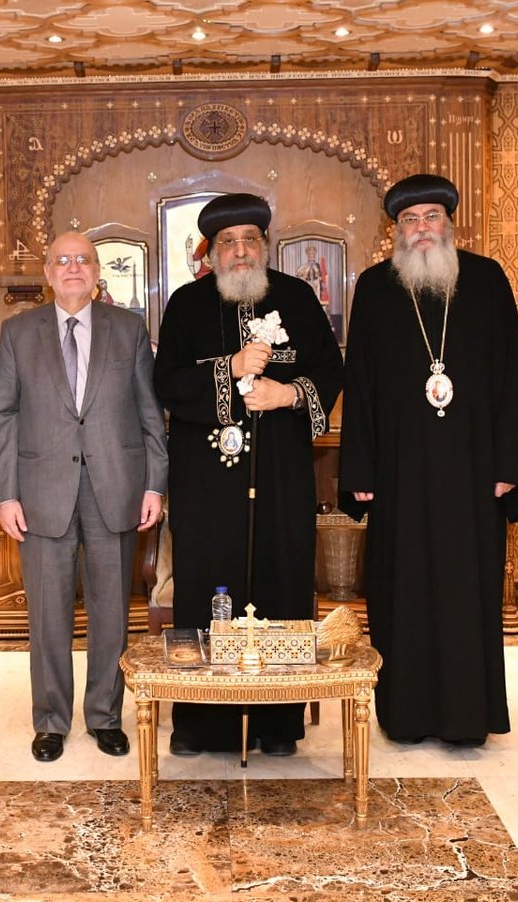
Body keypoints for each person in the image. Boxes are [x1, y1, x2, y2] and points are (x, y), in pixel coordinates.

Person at [338, 174, 518, 747]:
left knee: (467, 590)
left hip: (474, 471)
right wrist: (361, 470)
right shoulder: (375, 287)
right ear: (395, 231)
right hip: (399, 473)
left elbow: (511, 374)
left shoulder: (487, 279)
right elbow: (360, 382)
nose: (421, 229)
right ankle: (406, 715)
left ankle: (467, 718)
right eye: (409, 221)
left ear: (449, 223)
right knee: (403, 589)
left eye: (431, 218)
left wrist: (510, 464)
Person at [155, 192, 342, 756]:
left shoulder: (297, 298)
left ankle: (277, 722)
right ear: (211, 252)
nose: (240, 251)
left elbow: (330, 369)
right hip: (207, 485)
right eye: (228, 242)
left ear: (265, 246)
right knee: (203, 586)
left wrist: (288, 394)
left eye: (250, 241)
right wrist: (229, 369)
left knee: (280, 582)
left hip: (281, 475)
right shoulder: (187, 304)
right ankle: (199, 721)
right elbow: (166, 383)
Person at [0, 231, 166, 764]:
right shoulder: (18, 332)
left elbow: (149, 412)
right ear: (47, 273)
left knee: (112, 612)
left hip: (117, 487)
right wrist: (6, 495)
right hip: (41, 493)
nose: (72, 267)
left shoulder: (128, 329)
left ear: (96, 272)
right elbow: (2, 416)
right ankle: (50, 720)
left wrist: (154, 483)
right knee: (48, 615)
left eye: (82, 260)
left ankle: (105, 716)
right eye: (62, 260)